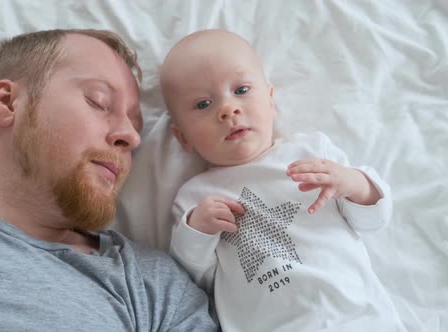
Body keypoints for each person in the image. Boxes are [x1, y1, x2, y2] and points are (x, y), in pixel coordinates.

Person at [0, 29, 218, 331]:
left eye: (136, 126)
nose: (131, 138)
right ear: (9, 102)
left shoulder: (158, 288)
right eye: (99, 101)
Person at [160, 29, 406, 331]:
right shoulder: (194, 196)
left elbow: (374, 219)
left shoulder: (312, 152)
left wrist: (353, 182)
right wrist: (196, 229)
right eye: (203, 105)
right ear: (183, 137)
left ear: (271, 100)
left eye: (241, 90)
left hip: (356, 318)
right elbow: (193, 278)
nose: (228, 109)